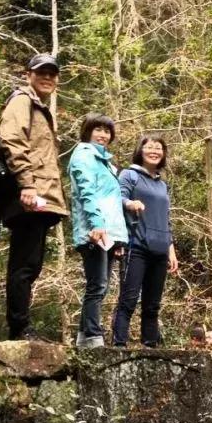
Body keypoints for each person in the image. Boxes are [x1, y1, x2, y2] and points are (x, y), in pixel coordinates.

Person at [0, 54, 69, 340]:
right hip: (29, 195)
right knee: (24, 264)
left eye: (52, 74)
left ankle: (21, 325)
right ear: (28, 74)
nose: (47, 78)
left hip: (40, 198)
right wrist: (27, 184)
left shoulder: (37, 106)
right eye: (42, 73)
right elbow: (12, 141)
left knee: (31, 264)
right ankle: (19, 328)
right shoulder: (22, 101)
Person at [111, 133, 178, 348]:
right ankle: (119, 345)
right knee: (129, 300)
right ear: (140, 150)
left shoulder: (162, 184)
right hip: (136, 245)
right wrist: (130, 204)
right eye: (150, 147)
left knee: (152, 305)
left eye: (159, 147)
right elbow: (117, 199)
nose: (154, 151)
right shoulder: (129, 175)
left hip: (160, 248)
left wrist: (171, 249)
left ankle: (150, 346)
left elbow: (165, 218)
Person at [69, 114, 128, 348]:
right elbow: (87, 193)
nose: (103, 135)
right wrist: (96, 224)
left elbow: (112, 203)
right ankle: (93, 335)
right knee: (97, 284)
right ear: (87, 132)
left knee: (101, 285)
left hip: (108, 232)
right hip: (94, 230)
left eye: (107, 131)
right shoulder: (84, 155)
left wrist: (118, 239)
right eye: (98, 130)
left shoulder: (104, 162)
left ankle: (85, 336)